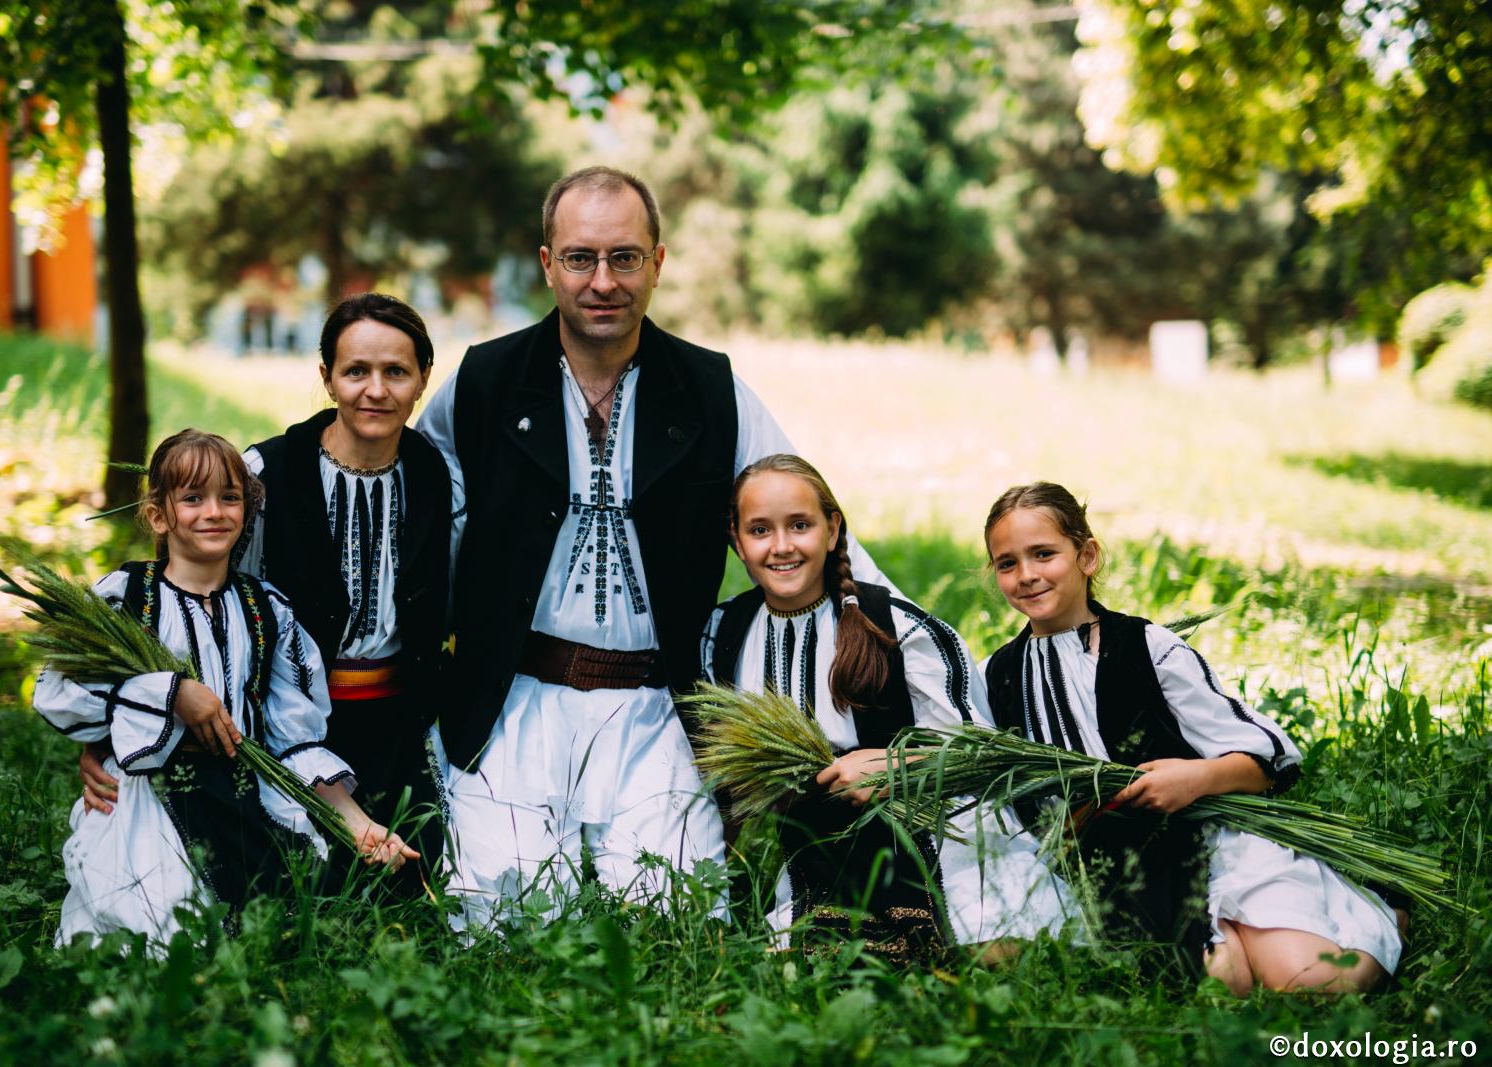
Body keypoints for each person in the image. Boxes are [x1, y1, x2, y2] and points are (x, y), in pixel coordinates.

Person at [415, 165, 888, 926]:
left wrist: (906, 646)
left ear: (658, 263)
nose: (603, 280)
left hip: (657, 705)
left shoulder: (710, 388)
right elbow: (408, 494)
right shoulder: (487, 381)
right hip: (515, 701)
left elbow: (809, 515)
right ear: (547, 264)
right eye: (580, 257)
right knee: (508, 919)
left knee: (676, 914)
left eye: (625, 257)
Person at [980, 481, 1404, 992]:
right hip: (1119, 867)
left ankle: (1388, 913)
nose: (1026, 575)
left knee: (1312, 983)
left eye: (1043, 554)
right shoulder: (997, 676)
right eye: (1007, 563)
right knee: (1224, 983)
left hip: (1207, 835)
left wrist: (1197, 777)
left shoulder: (1147, 648)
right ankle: (1227, 940)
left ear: (1086, 556)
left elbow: (1269, 756)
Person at [80, 294, 453, 873]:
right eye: (356, 371)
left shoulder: (435, 475)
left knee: (424, 870)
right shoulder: (265, 474)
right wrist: (113, 736)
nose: (375, 390)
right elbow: (187, 608)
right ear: (327, 378)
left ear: (423, 379)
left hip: (400, 719)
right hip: (279, 719)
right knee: (307, 881)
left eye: (396, 372)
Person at [36, 429, 416, 946]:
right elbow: (65, 692)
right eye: (193, 498)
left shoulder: (265, 611)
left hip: (242, 790)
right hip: (155, 796)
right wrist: (171, 693)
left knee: (303, 924)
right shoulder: (129, 599)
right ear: (158, 515)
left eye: (229, 497)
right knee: (163, 936)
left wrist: (358, 825)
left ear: (247, 511)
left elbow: (294, 740)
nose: (213, 511)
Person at [702, 454, 1071, 959]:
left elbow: (980, 756)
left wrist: (891, 763)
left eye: (800, 525)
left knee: (992, 950)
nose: (782, 545)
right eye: (760, 529)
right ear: (736, 540)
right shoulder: (723, 634)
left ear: (832, 530)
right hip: (816, 846)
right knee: (811, 961)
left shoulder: (896, 627)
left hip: (931, 825)